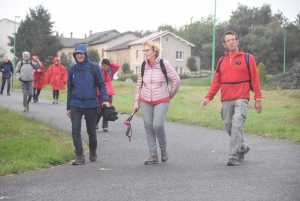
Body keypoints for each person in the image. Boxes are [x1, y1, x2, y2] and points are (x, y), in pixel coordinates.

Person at [200, 30, 262, 166]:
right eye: (228, 40)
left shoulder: (247, 57)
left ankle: (233, 156)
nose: (231, 42)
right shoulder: (221, 60)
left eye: (233, 39)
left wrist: (258, 98)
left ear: (238, 41)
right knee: (229, 126)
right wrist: (208, 97)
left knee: (237, 124)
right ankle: (242, 147)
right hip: (226, 98)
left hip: (242, 97)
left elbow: (255, 79)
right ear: (224, 44)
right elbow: (217, 81)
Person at [134, 41, 181, 165]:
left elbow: (176, 80)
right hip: (145, 100)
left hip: (161, 100)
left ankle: (163, 149)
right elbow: (139, 85)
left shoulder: (164, 64)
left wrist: (169, 95)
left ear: (155, 51)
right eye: (144, 51)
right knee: (148, 126)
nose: (145, 53)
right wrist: (136, 103)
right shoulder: (143, 66)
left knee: (157, 125)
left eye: (147, 50)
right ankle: (153, 155)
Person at [67, 44, 110, 165]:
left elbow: (101, 85)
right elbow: (69, 90)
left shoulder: (94, 67)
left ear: (86, 54)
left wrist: (105, 99)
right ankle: (79, 155)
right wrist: (68, 107)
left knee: (91, 130)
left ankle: (93, 150)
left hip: (91, 104)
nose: (80, 55)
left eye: (82, 53)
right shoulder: (72, 69)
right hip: (75, 104)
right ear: (75, 55)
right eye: (77, 53)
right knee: (75, 130)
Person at [96, 59, 120, 132]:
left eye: (106, 66)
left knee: (107, 110)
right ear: (101, 65)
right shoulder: (99, 71)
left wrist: (109, 63)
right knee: (99, 110)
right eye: (104, 66)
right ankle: (95, 123)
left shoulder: (110, 71)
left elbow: (117, 66)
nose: (105, 68)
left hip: (109, 92)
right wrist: (102, 68)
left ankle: (105, 125)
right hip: (99, 93)